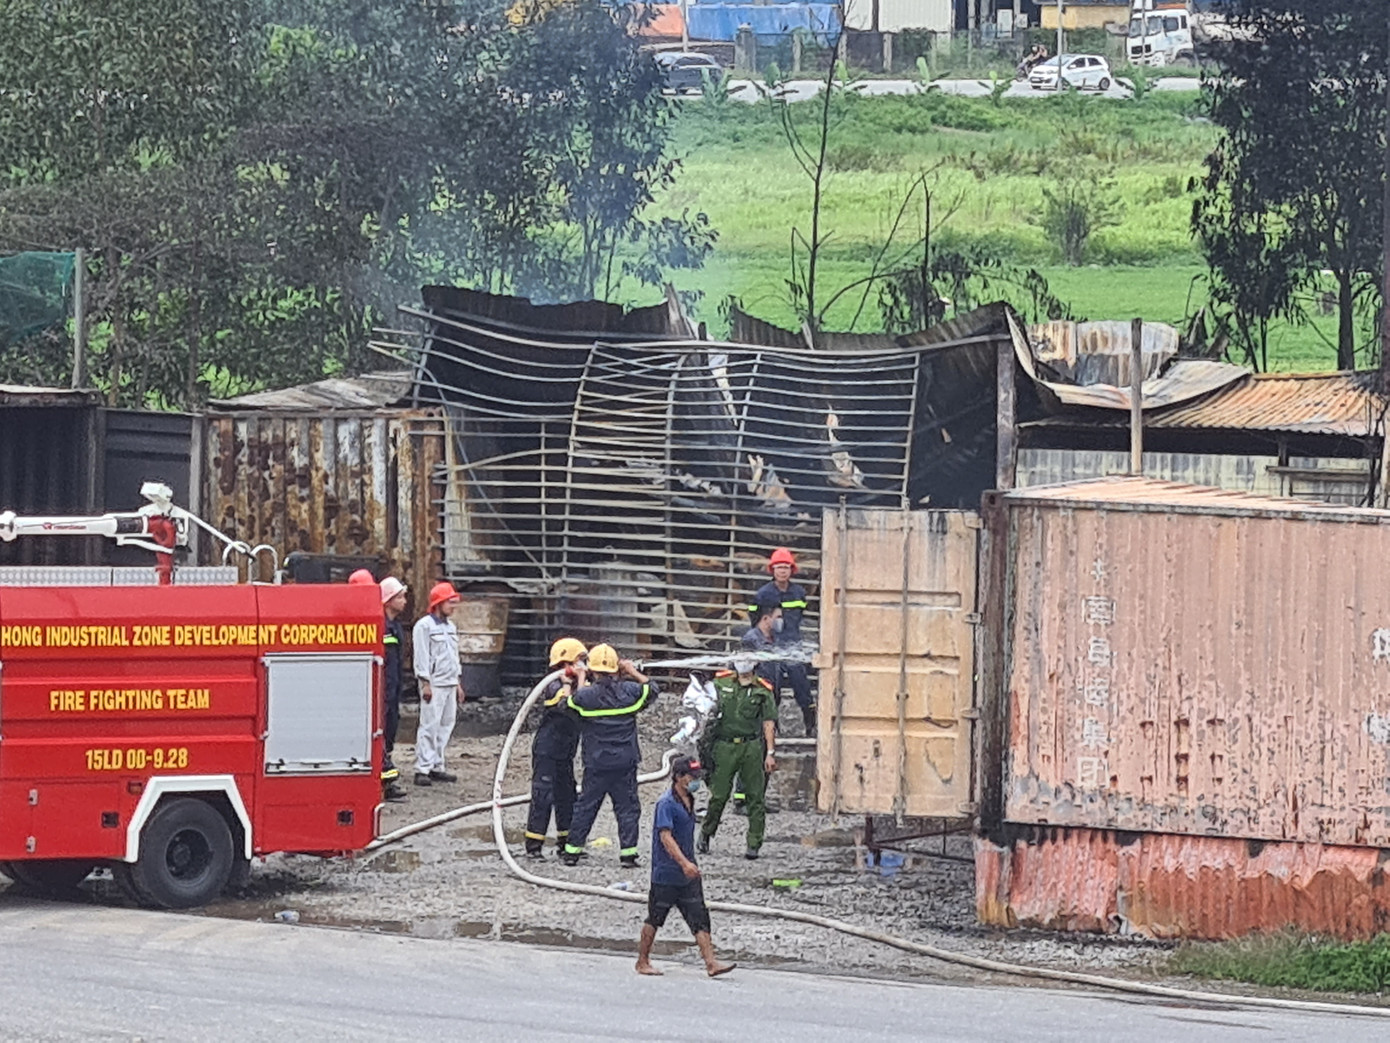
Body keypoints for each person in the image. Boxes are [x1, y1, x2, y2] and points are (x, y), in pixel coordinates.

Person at [635, 756, 735, 978]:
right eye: (692, 777)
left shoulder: (688, 800)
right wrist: (684, 863)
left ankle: (711, 963)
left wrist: (690, 866)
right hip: (667, 873)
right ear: (679, 777)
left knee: (699, 917)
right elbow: (665, 837)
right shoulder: (666, 804)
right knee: (655, 918)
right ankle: (642, 961)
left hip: (688, 875)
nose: (695, 781)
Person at [561, 644, 659, 868]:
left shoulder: (586, 697)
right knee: (627, 808)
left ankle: (572, 852)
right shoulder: (629, 692)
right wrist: (632, 671)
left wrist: (575, 679)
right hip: (625, 761)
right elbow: (652, 689)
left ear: (593, 669)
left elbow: (566, 705)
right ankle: (628, 855)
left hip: (597, 762)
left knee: (586, 806)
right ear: (616, 668)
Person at [698, 656, 777, 860]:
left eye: (747, 659)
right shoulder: (720, 682)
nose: (743, 663)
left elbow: (769, 722)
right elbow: (704, 707)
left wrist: (770, 753)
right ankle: (706, 833)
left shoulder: (762, 689)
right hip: (723, 746)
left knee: (755, 797)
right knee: (718, 796)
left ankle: (754, 844)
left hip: (751, 746)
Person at [525, 638, 587, 860]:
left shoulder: (580, 683)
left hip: (565, 751)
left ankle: (565, 842)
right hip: (547, 750)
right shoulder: (553, 685)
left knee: (567, 796)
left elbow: (589, 699)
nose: (585, 664)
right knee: (543, 796)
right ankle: (534, 846)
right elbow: (570, 704)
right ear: (567, 661)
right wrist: (572, 682)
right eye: (581, 659)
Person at [748, 547, 816, 737]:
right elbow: (754, 617)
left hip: (792, 645)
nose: (782, 571)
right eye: (779, 567)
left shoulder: (799, 593)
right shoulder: (763, 594)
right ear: (773, 570)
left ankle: (811, 725)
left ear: (791, 570)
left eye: (786, 567)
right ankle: (772, 729)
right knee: (772, 689)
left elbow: (800, 614)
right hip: (771, 648)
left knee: (802, 687)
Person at [412, 581, 465, 787]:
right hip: (434, 684)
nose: (453, 606)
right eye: (450, 602)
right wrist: (425, 682)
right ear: (439, 603)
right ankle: (422, 768)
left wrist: (457, 682)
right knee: (429, 725)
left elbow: (454, 656)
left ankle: (437, 764)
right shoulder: (424, 626)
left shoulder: (450, 627)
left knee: (445, 725)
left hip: (449, 682)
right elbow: (422, 656)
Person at [379, 576, 409, 803]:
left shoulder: (394, 626)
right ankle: (386, 782)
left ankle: (385, 774)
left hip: (393, 688)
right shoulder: (381, 626)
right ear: (388, 600)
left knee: (390, 730)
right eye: (400, 597)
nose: (405, 601)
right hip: (383, 691)